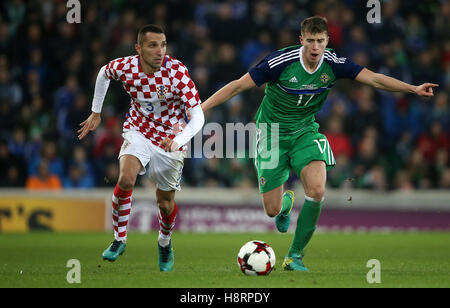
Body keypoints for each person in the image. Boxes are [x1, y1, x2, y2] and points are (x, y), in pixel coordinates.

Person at [201, 16, 438, 271]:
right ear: (301, 40)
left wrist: (412, 88)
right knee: (272, 210)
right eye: (311, 41)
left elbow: (376, 79)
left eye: (320, 41)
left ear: (327, 41)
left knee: (316, 190)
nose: (315, 47)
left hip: (305, 131)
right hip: (271, 134)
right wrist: (200, 110)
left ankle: (294, 257)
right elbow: (237, 86)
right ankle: (285, 206)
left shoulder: (334, 64)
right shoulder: (279, 63)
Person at [78, 24, 204, 271]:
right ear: (138, 48)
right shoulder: (126, 67)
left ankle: (165, 242)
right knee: (126, 178)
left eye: (164, 45)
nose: (160, 51)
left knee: (165, 203)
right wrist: (96, 112)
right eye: (153, 45)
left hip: (170, 140)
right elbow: (104, 73)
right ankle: (119, 239)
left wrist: (179, 140)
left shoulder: (177, 72)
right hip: (139, 130)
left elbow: (198, 116)